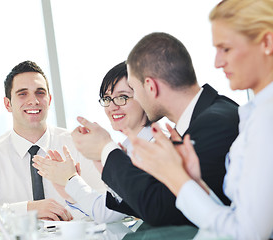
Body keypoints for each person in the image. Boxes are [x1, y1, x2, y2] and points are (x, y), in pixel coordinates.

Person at [127, 0, 273, 239]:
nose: (217, 62)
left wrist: (178, 179)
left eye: (226, 49)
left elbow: (247, 234)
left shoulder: (267, 118)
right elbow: (240, 218)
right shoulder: (255, 113)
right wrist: (194, 183)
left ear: (267, 43)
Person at [71, 32, 240, 226]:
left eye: (133, 90)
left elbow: (162, 209)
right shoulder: (207, 116)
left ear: (150, 86)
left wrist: (106, 150)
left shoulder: (213, 125)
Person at [0, 61, 105, 223]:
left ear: (49, 100)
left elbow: (105, 202)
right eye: (22, 94)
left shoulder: (77, 144)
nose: (33, 101)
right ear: (8, 104)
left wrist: (72, 201)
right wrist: (28, 209)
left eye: (40, 93)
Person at [33, 61, 153, 224]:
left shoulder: (155, 146)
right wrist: (69, 191)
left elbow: (109, 214)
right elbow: (110, 208)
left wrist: (71, 180)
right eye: (107, 98)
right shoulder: (129, 148)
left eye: (122, 97)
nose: (112, 107)